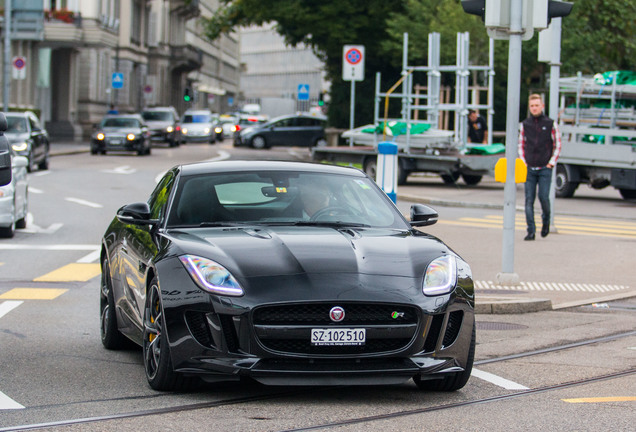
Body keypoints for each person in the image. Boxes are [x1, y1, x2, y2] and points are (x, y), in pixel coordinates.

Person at [518, 94, 562, 241]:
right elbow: (521, 145)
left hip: (544, 168)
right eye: (532, 106)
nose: (534, 108)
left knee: (543, 197)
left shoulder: (550, 123)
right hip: (529, 168)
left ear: (542, 106)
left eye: (537, 105)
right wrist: (523, 161)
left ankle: (546, 222)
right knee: (528, 199)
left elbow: (557, 144)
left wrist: (551, 163)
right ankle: (531, 230)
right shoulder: (525, 124)